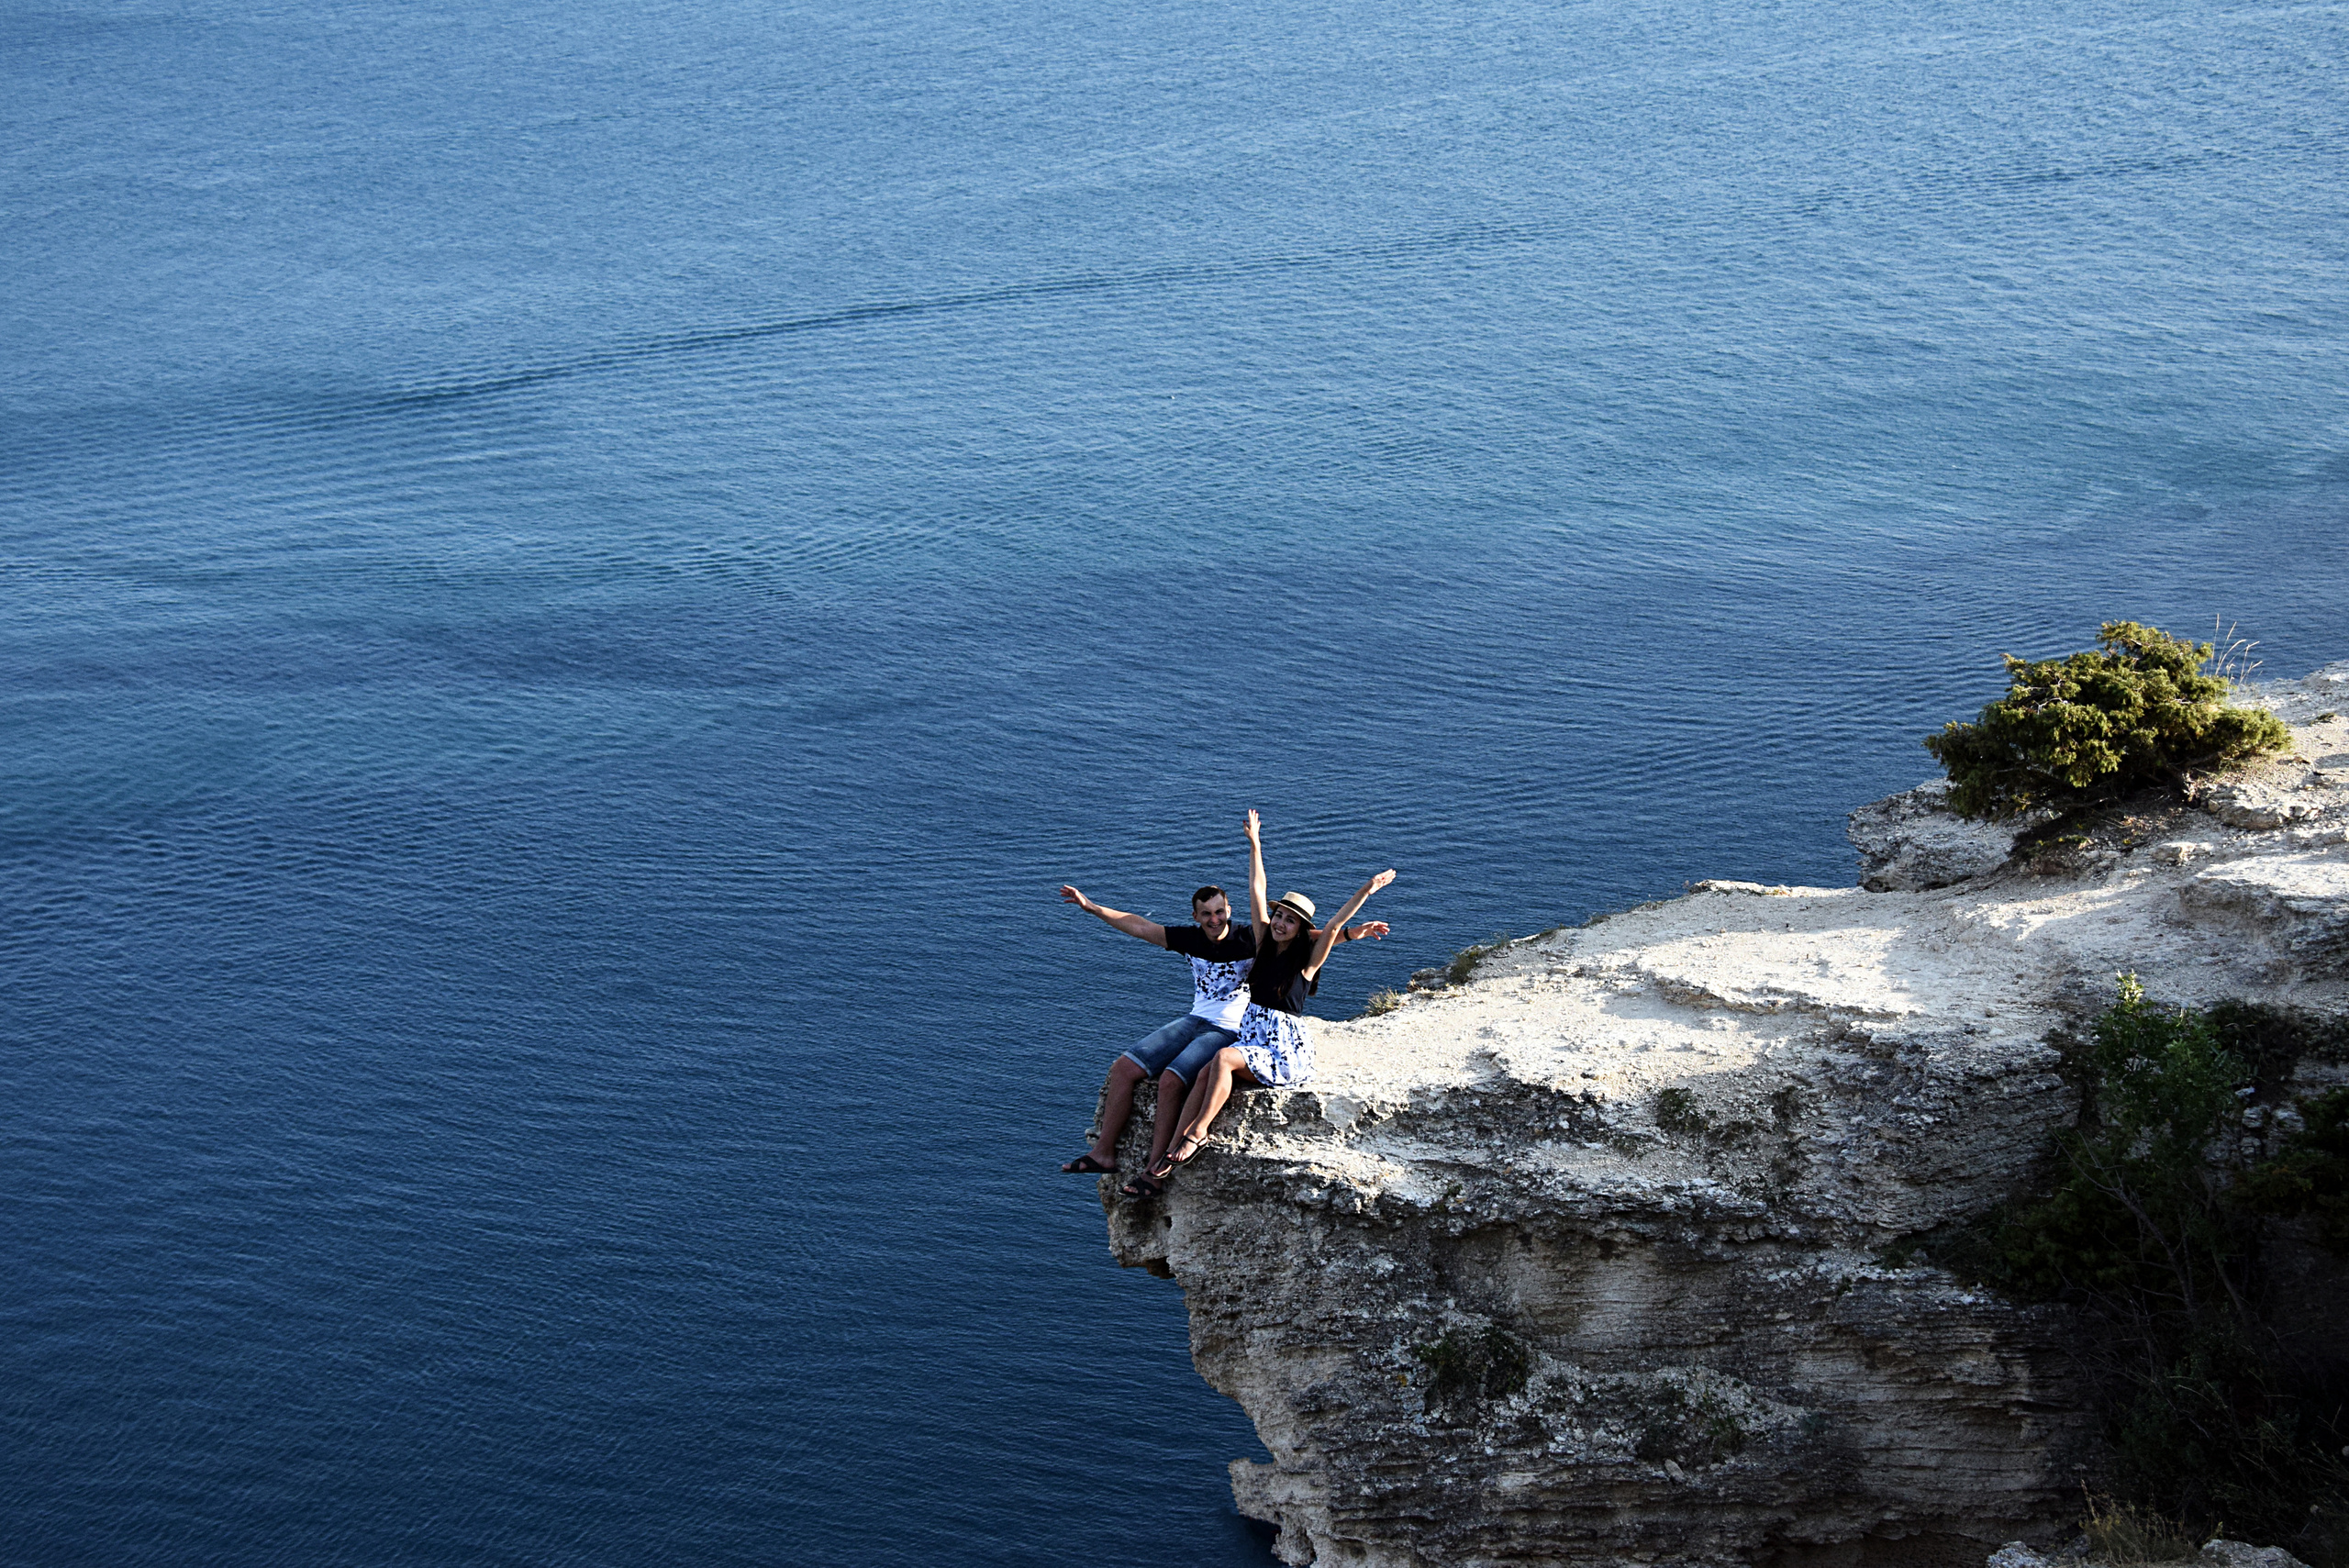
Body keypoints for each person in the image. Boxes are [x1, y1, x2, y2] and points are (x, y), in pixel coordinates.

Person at [1058, 879, 1387, 1193]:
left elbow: (1316, 934)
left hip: (1241, 1033)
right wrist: (1093, 908)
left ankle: (1165, 1160)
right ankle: (1105, 1154)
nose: (1214, 919)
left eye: (1220, 911)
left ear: (1229, 910)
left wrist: (1354, 921)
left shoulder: (1258, 942)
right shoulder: (1211, 939)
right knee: (1127, 1068)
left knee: (1180, 1076)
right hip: (1214, 1024)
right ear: (1196, 916)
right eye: (1206, 914)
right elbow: (1142, 925)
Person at [1145, 810, 1395, 1189]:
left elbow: (1331, 928)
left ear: (1300, 930)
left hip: (1282, 1048)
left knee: (1223, 1058)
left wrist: (1365, 890)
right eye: (1278, 916)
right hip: (1252, 1037)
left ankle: (1198, 1133)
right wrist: (1255, 845)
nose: (1279, 923)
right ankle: (1170, 1152)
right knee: (1205, 1073)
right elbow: (1256, 892)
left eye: (1289, 921)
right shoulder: (1261, 946)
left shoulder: (1306, 965)